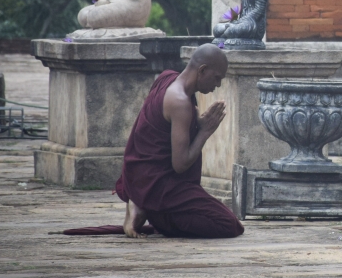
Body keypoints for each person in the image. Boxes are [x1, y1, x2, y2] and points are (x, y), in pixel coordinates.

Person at [64, 44, 243, 239]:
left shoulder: (166, 78)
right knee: (229, 225)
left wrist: (197, 125)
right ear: (202, 70)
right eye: (217, 78)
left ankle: (142, 204)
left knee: (219, 219)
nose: (217, 85)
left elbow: (164, 131)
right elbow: (180, 164)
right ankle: (152, 208)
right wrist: (204, 132)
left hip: (142, 178)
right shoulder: (180, 102)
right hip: (160, 186)